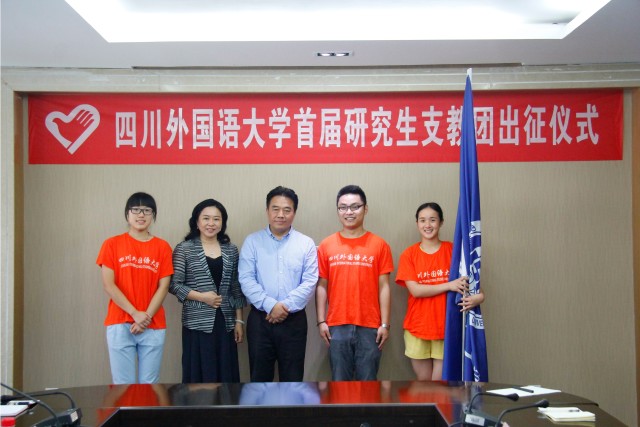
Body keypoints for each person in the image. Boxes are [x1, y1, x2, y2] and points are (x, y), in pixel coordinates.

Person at [395, 202, 485, 381]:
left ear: (441, 222)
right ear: (417, 223)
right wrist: (449, 285)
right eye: (422, 220)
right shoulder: (409, 254)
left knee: (439, 384)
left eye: (432, 220)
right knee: (423, 384)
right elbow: (416, 291)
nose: (427, 225)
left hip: (447, 328)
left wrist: (479, 298)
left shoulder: (454, 251)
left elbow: (475, 288)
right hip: (417, 327)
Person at [238, 186, 318, 382]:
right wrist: (271, 305)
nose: (280, 214)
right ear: (267, 211)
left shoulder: (306, 243)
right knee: (259, 380)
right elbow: (246, 279)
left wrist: (284, 307)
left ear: (294, 212)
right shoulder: (252, 241)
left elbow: (310, 281)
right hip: (260, 320)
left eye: (287, 210)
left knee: (292, 379)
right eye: (275, 209)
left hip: (294, 320)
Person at [315, 185, 394, 381]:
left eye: (355, 207)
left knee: (368, 383)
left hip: (370, 326)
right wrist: (321, 321)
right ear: (338, 211)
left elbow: (384, 287)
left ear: (365, 209)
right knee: (339, 382)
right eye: (343, 207)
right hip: (336, 325)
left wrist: (385, 324)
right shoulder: (326, 245)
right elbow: (322, 286)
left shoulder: (380, 245)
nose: (348, 212)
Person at [96, 192, 173, 384]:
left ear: (153, 215)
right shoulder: (112, 244)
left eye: (147, 210)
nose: (141, 215)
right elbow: (108, 284)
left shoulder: (162, 247)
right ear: (127, 214)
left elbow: (164, 287)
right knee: (123, 385)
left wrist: (145, 317)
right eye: (136, 210)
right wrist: (134, 313)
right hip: (120, 321)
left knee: (150, 384)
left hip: (153, 324)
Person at [169, 199, 246, 383]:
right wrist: (203, 297)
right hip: (196, 322)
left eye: (216, 219)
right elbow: (174, 285)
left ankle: (225, 403)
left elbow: (236, 287)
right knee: (200, 372)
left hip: (226, 321)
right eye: (206, 218)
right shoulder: (184, 249)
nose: (211, 223)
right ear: (196, 221)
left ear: (222, 223)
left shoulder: (231, 250)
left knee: (226, 372)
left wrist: (239, 321)